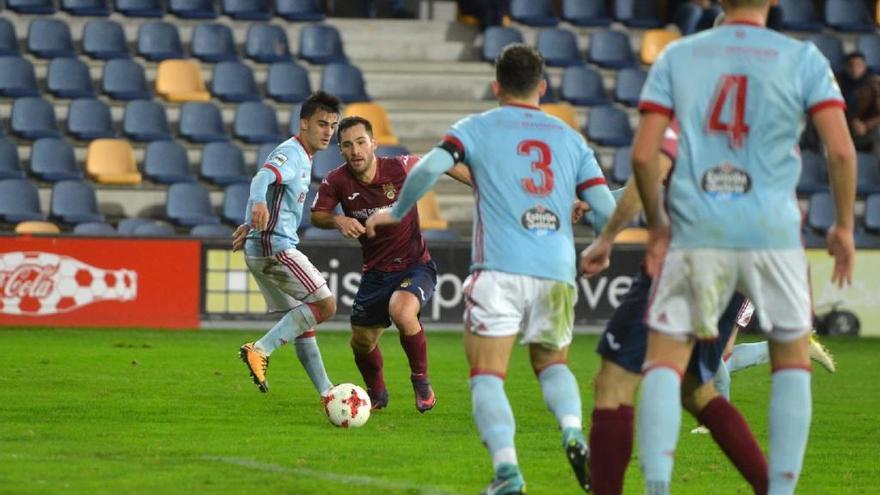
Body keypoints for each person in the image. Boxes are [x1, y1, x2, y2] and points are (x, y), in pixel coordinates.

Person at [619, 0, 856, 493]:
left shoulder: (679, 56)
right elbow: (840, 149)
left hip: (699, 227)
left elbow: (644, 156)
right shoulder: (804, 58)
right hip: (773, 230)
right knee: (791, 358)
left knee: (665, 358)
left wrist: (659, 226)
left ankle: (656, 487)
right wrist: (843, 229)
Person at [365, 43, 617, 495]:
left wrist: (397, 210)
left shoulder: (475, 128)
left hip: (498, 269)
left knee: (487, 375)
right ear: (542, 87)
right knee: (552, 364)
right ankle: (573, 430)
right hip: (556, 272)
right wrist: (603, 242)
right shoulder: (570, 138)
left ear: (496, 85)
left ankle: (507, 473)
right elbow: (605, 206)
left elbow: (427, 168)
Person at [309, 115, 471, 412]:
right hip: (376, 273)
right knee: (360, 342)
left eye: (361, 142)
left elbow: (443, 161)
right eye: (348, 145)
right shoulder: (336, 180)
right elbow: (317, 214)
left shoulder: (400, 167)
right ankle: (377, 393)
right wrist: (337, 219)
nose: (356, 150)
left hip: (415, 265)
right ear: (341, 150)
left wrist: (479, 185)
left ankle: (421, 384)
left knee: (402, 310)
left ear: (374, 143)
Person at [235, 91, 343, 403]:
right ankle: (260, 349)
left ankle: (326, 392)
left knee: (302, 320)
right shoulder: (292, 152)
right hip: (276, 247)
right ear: (304, 123)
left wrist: (248, 221)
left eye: (332, 126)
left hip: (262, 246)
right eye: (321, 124)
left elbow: (270, 191)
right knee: (326, 306)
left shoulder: (304, 157)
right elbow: (261, 179)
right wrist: (256, 205)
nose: (327, 132)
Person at [836, 52, 880, 158]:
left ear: (864, 66)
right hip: (842, 128)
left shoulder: (874, 84)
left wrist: (867, 125)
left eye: (858, 65)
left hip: (867, 130)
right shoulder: (837, 83)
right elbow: (832, 109)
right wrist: (852, 121)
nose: (854, 68)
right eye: (850, 65)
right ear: (846, 67)